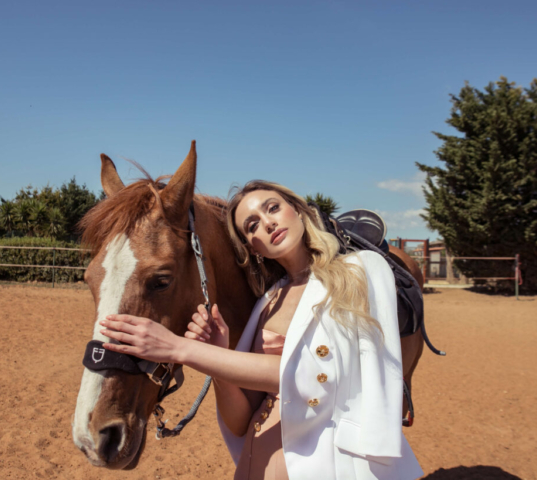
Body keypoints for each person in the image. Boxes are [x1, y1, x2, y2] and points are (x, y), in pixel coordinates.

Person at [100, 180, 423, 480]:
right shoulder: (267, 302)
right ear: (253, 247)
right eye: (252, 225)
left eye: (273, 208)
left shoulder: (360, 269)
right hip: (258, 462)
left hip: (329, 463)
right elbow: (240, 422)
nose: (267, 223)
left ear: (298, 210)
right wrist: (218, 361)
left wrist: (181, 349)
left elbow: (318, 377)